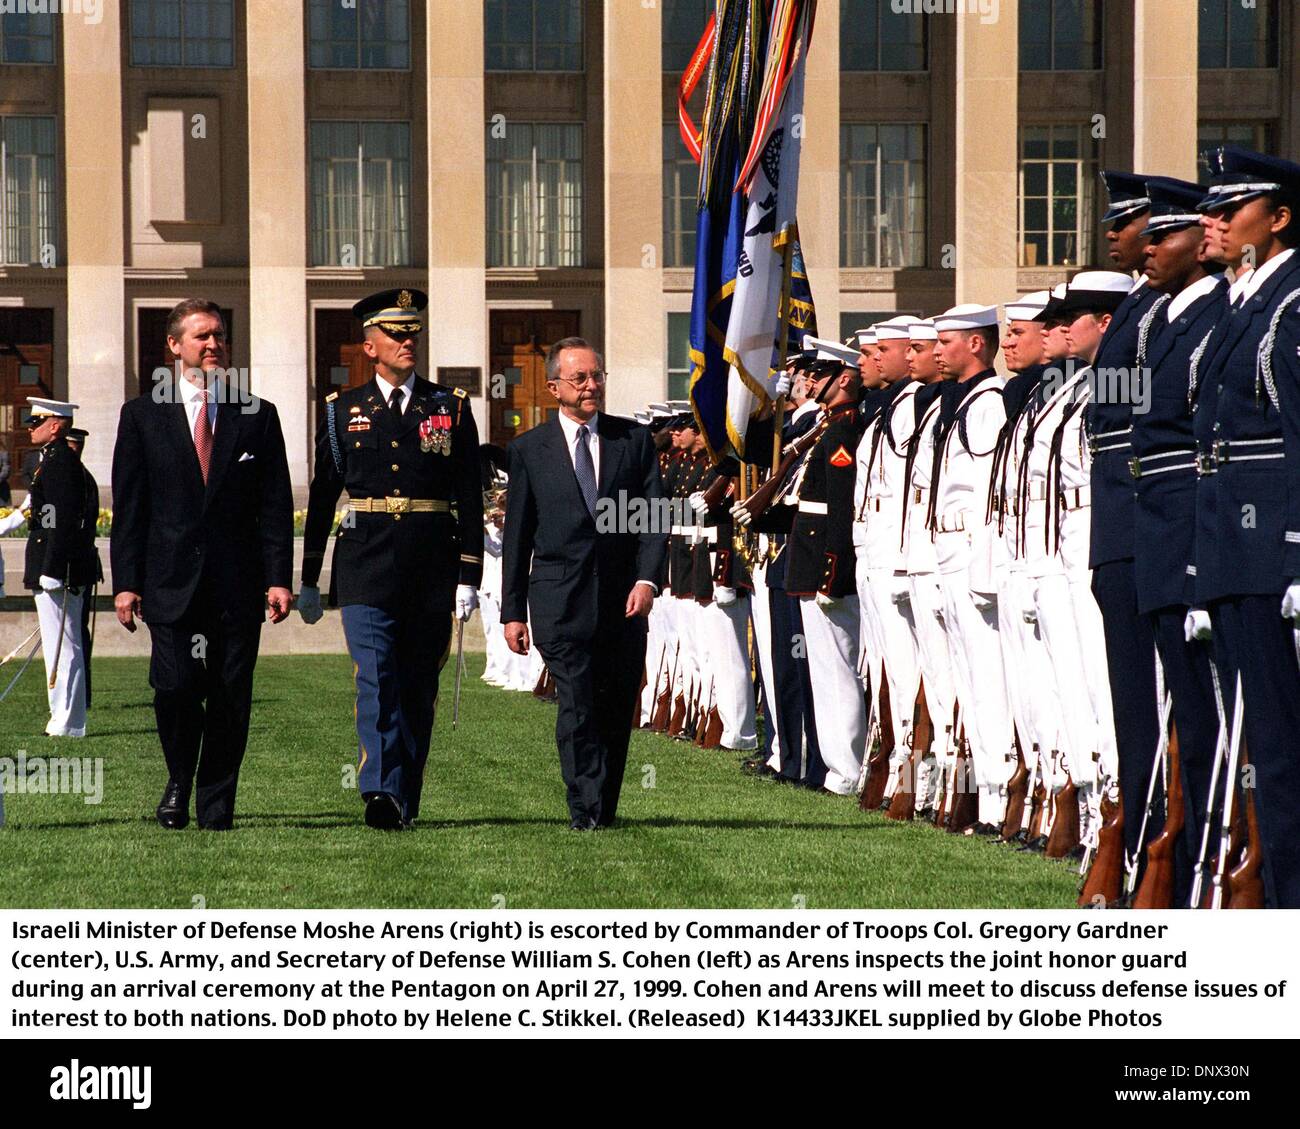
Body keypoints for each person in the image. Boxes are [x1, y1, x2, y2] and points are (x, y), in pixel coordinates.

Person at [299, 288, 483, 831]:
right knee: (376, 678)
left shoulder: (449, 406)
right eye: (397, 334)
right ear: (370, 344)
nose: (408, 342)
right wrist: (309, 577)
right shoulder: (342, 410)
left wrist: (468, 574)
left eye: (414, 333)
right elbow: (324, 491)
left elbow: (468, 496)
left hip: (431, 563)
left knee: (417, 687)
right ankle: (379, 788)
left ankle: (405, 793)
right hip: (366, 562)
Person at [111, 299, 294, 830]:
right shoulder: (142, 416)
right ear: (174, 346)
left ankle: (216, 806)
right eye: (202, 337)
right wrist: (126, 584)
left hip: (237, 588)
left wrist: (278, 577)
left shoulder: (257, 414)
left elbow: (275, 504)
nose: (214, 345)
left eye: (220, 335)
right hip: (169, 586)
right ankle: (177, 779)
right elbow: (130, 509)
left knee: (231, 696)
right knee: (174, 688)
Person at [500, 337, 666, 830]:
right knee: (576, 703)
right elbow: (518, 536)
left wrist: (647, 581)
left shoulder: (632, 441)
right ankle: (585, 808)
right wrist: (512, 611)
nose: (592, 386)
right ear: (554, 387)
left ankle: (604, 807)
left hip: (622, 602)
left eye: (597, 376)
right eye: (580, 378)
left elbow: (654, 519)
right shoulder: (529, 450)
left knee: (614, 706)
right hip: (558, 601)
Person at [22, 398, 98, 738]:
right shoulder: (51, 460)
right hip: (51, 566)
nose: (30, 427)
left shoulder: (61, 463)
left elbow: (62, 522)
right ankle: (61, 717)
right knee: (59, 644)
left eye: (37, 421)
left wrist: (52, 568)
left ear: (55, 426)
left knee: (64, 646)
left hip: (59, 570)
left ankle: (68, 721)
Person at [64, 427, 102, 710]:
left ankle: (79, 695)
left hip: (75, 565)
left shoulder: (80, 478)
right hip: (77, 563)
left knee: (74, 632)